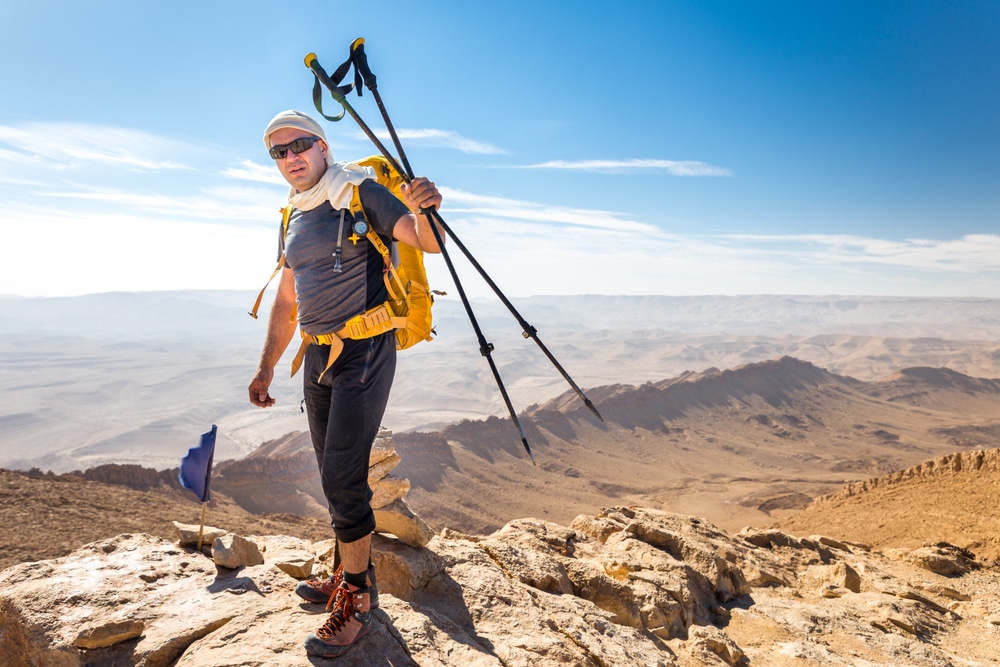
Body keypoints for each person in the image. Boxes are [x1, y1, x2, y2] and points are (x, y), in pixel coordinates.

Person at [248, 109, 443, 658]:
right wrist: (266, 368)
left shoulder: (362, 192)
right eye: (278, 152)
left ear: (323, 145)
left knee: (342, 473)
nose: (290, 158)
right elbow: (288, 300)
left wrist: (425, 207)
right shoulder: (294, 214)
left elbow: (424, 241)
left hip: (364, 347)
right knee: (333, 472)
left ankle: (357, 599)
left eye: (298, 145)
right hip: (318, 354)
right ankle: (343, 571)